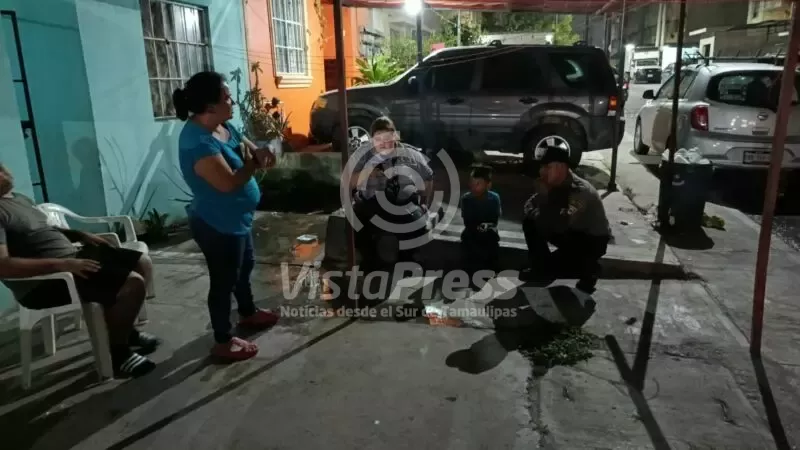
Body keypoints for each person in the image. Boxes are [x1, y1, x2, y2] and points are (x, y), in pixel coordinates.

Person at [0, 164, 159, 378]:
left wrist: (79, 235)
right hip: (45, 282)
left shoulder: (19, 199)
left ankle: (125, 332)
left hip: (73, 259)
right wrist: (62, 265)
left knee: (142, 262)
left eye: (1, 168)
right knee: (132, 283)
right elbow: (4, 266)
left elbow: (42, 229)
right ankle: (119, 356)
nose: (4, 174)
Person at [174, 71, 279, 362]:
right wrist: (253, 165)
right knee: (223, 281)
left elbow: (248, 147)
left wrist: (261, 152)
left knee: (244, 268)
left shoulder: (223, 126)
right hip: (216, 224)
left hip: (237, 220)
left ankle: (248, 312)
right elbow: (228, 183)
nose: (232, 102)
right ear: (210, 106)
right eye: (227, 98)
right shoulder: (198, 143)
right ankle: (222, 339)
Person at [520, 146, 612, 294]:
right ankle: (541, 269)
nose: (542, 171)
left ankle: (590, 269)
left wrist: (543, 206)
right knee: (530, 223)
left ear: (561, 167)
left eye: (547, 167)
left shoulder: (579, 191)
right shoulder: (552, 183)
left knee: (557, 267)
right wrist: (541, 209)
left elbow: (560, 224)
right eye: (542, 167)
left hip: (590, 241)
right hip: (569, 233)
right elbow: (529, 205)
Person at [349, 116, 434, 268]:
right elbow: (349, 182)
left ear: (395, 136)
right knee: (358, 224)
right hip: (371, 204)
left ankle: (407, 259)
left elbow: (428, 177)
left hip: (404, 203)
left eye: (387, 138)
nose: (383, 143)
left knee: (418, 223)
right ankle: (369, 262)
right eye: (378, 139)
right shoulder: (363, 155)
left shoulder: (410, 154)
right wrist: (368, 173)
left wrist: (424, 203)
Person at [460, 165, 501, 275]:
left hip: (488, 228)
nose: (474, 187)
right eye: (472, 183)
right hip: (472, 229)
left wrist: (486, 225)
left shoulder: (494, 198)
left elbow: (494, 220)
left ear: (488, 185)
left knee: (491, 236)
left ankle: (491, 267)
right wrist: (476, 227)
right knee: (468, 237)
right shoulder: (466, 198)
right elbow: (467, 220)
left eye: (479, 183)